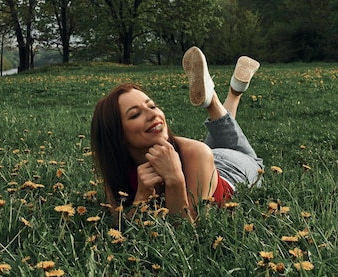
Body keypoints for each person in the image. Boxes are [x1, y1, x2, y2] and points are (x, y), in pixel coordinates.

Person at [90, 46, 264, 220]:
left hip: (235, 169)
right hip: (204, 162)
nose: (154, 114)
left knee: (222, 150)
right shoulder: (116, 169)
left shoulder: (196, 152)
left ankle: (217, 99)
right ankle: (231, 93)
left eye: (152, 106)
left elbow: (188, 229)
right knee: (215, 139)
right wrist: (141, 196)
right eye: (135, 114)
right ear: (116, 135)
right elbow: (119, 225)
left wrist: (175, 180)